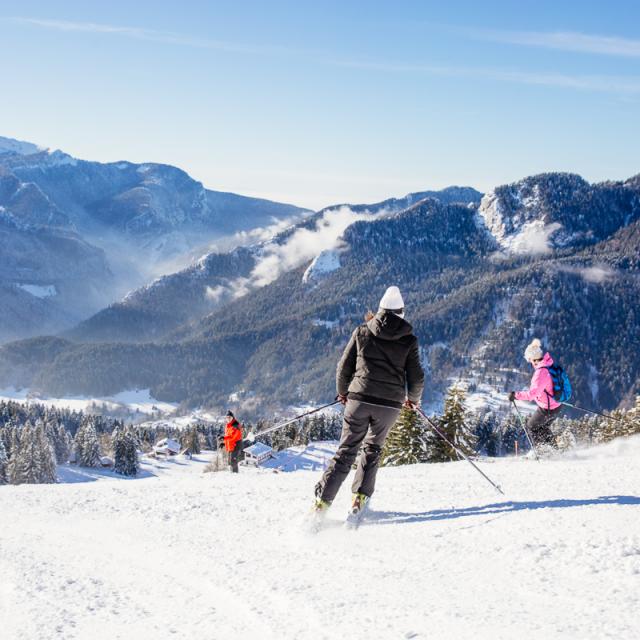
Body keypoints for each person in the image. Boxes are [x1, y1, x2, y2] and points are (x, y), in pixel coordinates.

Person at [314, 286, 424, 518]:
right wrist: (413, 400)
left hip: (359, 400)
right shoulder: (409, 340)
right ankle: (359, 501)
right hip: (389, 406)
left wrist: (343, 392)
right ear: (402, 313)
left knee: (346, 451)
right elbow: (416, 376)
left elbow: (344, 366)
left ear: (380, 310)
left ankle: (322, 504)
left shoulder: (362, 331)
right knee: (372, 450)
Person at [508, 338, 562, 447]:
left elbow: (532, 395)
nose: (530, 363)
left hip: (548, 408)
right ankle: (554, 451)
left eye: (529, 360)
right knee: (543, 428)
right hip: (557, 405)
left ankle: (542, 451)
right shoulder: (549, 365)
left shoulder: (541, 372)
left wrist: (515, 395)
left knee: (531, 426)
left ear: (533, 359)